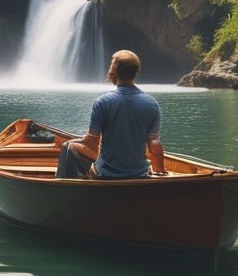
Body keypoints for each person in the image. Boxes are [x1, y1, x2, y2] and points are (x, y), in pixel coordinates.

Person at [55, 49, 166, 179]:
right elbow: (154, 144)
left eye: (111, 65)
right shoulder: (152, 104)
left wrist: (79, 141)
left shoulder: (103, 102)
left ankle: (67, 186)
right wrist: (160, 171)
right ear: (135, 72)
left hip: (106, 174)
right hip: (139, 174)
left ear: (115, 71)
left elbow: (91, 144)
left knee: (68, 146)